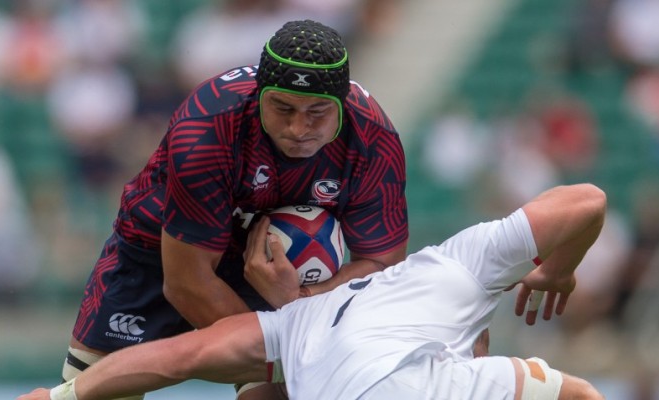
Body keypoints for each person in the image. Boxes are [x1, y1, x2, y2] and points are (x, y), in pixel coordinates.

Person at [60, 19, 409, 400]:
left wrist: (301, 302)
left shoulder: (373, 137)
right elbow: (186, 283)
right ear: (259, 96)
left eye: (317, 112)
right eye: (283, 108)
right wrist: (282, 348)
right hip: (158, 251)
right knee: (96, 394)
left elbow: (381, 266)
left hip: (276, 276)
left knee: (275, 393)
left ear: (342, 105)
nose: (298, 128)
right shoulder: (207, 128)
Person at [19, 183, 607, 400]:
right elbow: (587, 201)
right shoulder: (453, 271)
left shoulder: (291, 328)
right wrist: (559, 268)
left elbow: (179, 356)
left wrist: (60, 397)